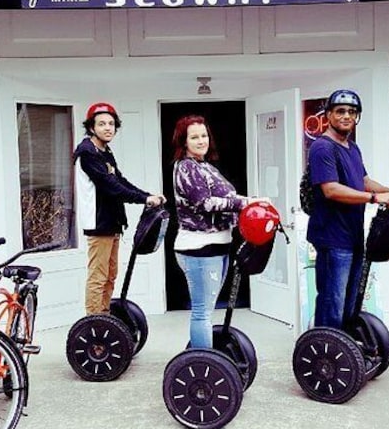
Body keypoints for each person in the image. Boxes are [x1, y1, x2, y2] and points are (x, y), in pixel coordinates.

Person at [306, 89, 389, 329]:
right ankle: (326, 352)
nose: (346, 116)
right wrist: (376, 198)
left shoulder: (352, 147)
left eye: (352, 112)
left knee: (350, 302)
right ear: (329, 115)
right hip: (332, 238)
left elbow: (362, 180)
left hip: (353, 236)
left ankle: (345, 351)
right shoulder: (322, 148)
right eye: (340, 111)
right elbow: (331, 189)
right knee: (333, 301)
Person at [171, 114, 258, 349]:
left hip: (218, 246)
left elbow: (228, 197)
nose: (201, 141)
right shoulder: (186, 168)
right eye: (194, 137)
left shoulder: (205, 166)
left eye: (204, 135)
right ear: (183, 141)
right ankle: (202, 365)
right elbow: (205, 203)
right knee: (202, 313)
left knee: (207, 310)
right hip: (198, 249)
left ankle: (206, 358)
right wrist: (245, 203)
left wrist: (253, 201)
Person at [74, 102, 165, 315]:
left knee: (110, 275)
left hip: (112, 222)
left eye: (111, 124)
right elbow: (111, 186)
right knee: (98, 276)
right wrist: (145, 199)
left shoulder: (104, 151)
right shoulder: (88, 153)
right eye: (102, 124)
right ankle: (94, 324)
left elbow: (121, 180)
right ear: (91, 127)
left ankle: (104, 316)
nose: (108, 128)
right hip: (99, 223)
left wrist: (147, 196)